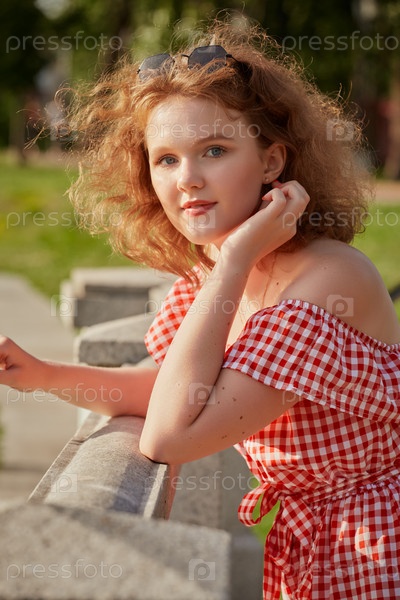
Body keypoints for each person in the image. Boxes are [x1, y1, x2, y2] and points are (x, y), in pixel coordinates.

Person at [1, 18, 399, 600]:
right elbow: (173, 389)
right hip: (313, 547)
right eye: (166, 158)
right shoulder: (214, 275)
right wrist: (40, 375)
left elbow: (169, 437)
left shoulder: (324, 279)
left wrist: (234, 259)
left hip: (375, 550)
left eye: (214, 150)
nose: (187, 179)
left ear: (271, 162)